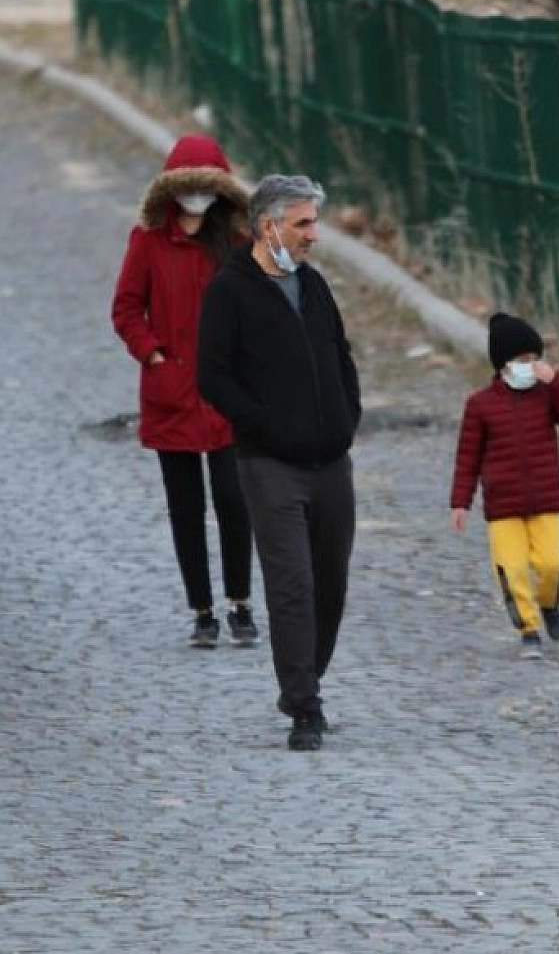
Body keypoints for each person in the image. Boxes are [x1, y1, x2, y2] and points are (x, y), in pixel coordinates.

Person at [197, 174, 360, 751]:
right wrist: (263, 426)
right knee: (291, 581)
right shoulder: (230, 290)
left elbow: (340, 355)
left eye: (315, 221)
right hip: (269, 465)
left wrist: (347, 416)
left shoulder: (313, 287)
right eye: (304, 223)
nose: (315, 234)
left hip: (331, 462)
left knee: (331, 580)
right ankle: (305, 708)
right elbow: (212, 375)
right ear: (270, 227)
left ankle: (303, 680)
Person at [112, 135, 257, 649]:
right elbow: (126, 308)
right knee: (185, 508)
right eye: (188, 188)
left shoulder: (239, 243)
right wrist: (153, 354)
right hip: (170, 392)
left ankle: (241, 602)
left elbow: (258, 309)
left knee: (234, 500)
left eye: (206, 187)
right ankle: (202, 610)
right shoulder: (147, 240)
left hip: (226, 394)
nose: (197, 197)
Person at [449, 312, 559, 658]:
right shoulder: (480, 405)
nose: (530, 366)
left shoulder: (546, 394)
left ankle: (549, 602)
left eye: (534, 359)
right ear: (504, 364)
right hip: (503, 504)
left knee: (549, 565)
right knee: (511, 570)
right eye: (522, 360)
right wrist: (460, 502)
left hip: (545, 498)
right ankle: (528, 629)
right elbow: (468, 456)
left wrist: (556, 381)